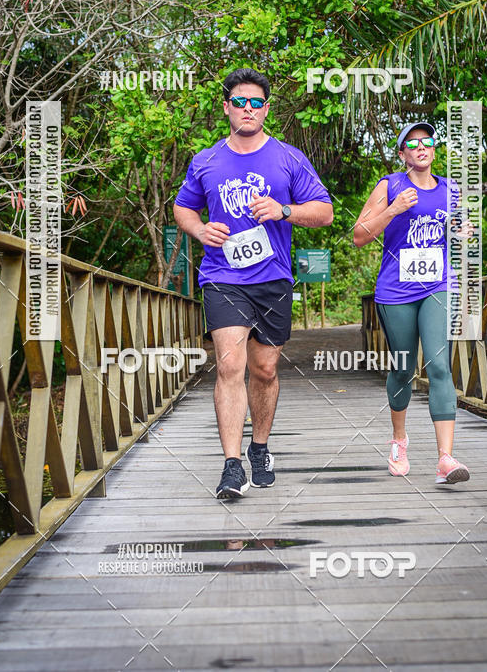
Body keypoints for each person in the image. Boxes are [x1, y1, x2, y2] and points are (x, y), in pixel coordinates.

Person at [173, 68, 333, 499]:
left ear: (266, 109)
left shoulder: (288, 158)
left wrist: (284, 211)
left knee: (264, 370)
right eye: (239, 102)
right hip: (223, 277)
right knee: (229, 366)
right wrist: (199, 230)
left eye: (256, 103)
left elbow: (324, 212)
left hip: (274, 278)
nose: (248, 109)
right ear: (226, 107)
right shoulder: (206, 160)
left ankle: (259, 448)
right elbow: (182, 208)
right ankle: (231, 465)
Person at [353, 122, 470, 484]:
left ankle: (445, 459)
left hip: (436, 286)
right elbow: (359, 236)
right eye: (413, 143)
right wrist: (393, 210)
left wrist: (464, 232)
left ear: (434, 150)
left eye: (428, 142)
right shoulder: (390, 185)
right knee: (404, 369)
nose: (421, 147)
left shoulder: (452, 190)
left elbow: (461, 235)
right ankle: (399, 441)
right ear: (402, 153)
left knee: (439, 366)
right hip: (396, 291)